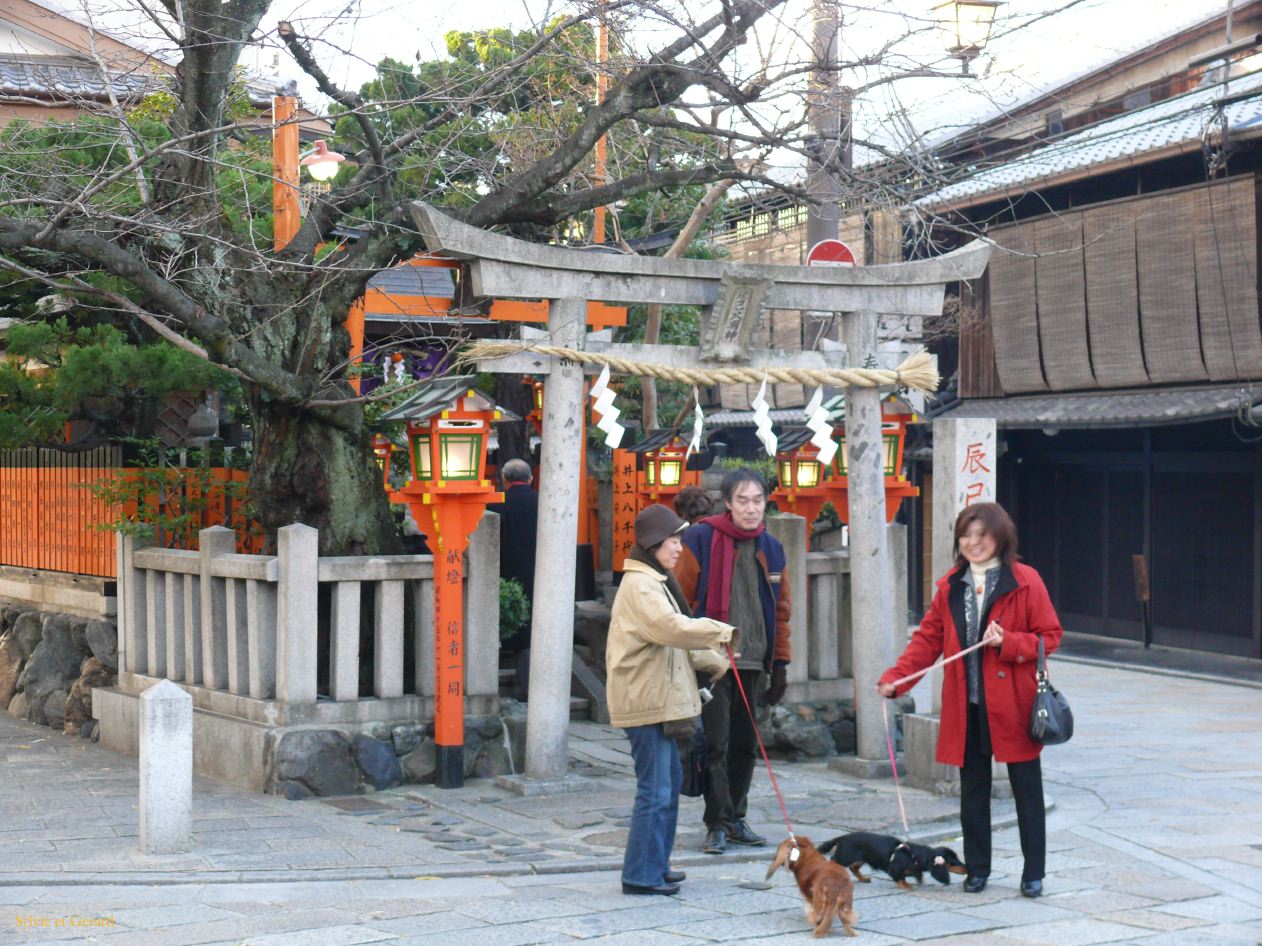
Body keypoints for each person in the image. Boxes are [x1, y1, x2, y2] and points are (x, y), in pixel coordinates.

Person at [877, 501, 1062, 899]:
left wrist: (1009, 642)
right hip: (968, 706)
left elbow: (1051, 636)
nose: (973, 543)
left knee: (1027, 791)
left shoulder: (1026, 581)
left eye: (982, 535)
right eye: (966, 535)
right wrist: (897, 680)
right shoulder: (950, 584)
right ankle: (977, 869)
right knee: (972, 791)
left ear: (1001, 538)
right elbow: (927, 640)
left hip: (1014, 705)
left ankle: (1033, 872)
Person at [606, 504, 736, 896]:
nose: (679, 548)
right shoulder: (642, 584)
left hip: (657, 698)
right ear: (653, 543)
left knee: (669, 783)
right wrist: (721, 633)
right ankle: (641, 874)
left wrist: (717, 662)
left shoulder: (655, 580)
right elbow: (669, 629)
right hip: (646, 700)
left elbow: (674, 641)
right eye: (673, 540)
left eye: (680, 540)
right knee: (656, 789)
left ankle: (655, 865)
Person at [675, 467, 792, 855]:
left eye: (758, 500)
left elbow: (783, 611)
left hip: (755, 659)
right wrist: (696, 649)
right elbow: (680, 599)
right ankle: (718, 822)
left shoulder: (772, 548)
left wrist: (781, 664)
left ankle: (737, 815)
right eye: (742, 500)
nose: (751, 508)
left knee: (746, 743)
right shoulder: (701, 538)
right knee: (716, 743)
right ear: (727, 502)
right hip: (714, 660)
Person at [488, 458, 538, 699]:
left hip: (505, 575)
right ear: (530, 479)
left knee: (511, 625)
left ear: (504, 480)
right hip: (541, 575)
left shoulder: (496, 505)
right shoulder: (545, 502)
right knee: (535, 627)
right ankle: (534, 685)